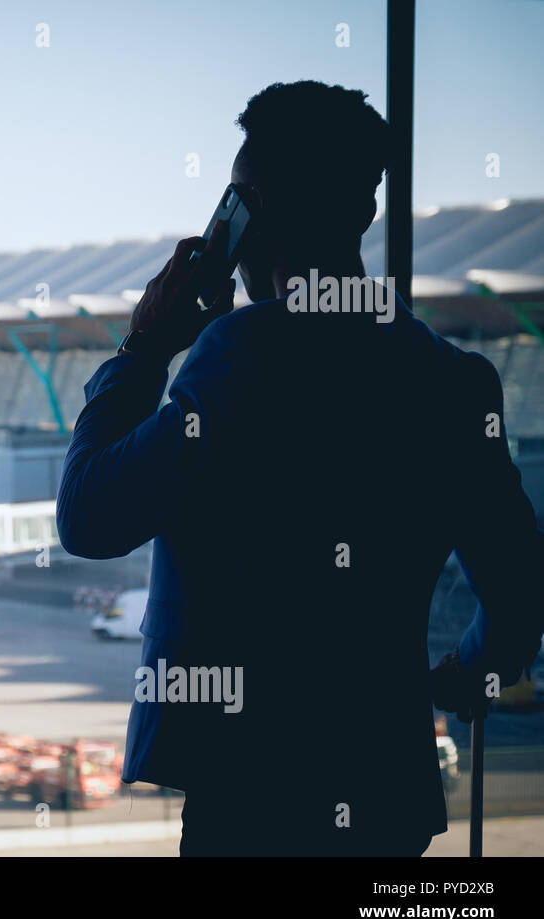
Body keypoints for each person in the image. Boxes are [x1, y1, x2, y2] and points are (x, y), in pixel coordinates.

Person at [56, 80, 543, 856]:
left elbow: (88, 515)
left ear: (258, 216)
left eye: (236, 203)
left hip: (250, 792)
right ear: (365, 212)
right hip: (386, 794)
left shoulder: (239, 355)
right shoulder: (455, 382)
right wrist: (465, 671)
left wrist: (144, 347)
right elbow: (519, 595)